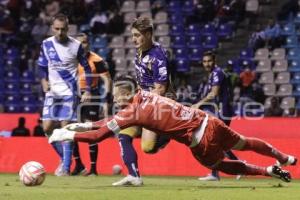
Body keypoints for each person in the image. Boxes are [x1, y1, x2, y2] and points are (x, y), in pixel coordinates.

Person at [50, 75, 297, 183]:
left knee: (219, 165)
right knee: (243, 142)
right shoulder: (145, 95)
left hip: (200, 141)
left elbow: (101, 135)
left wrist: (67, 134)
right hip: (209, 120)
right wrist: (83, 124)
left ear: (127, 94)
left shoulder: (132, 112)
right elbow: (105, 123)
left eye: (117, 97)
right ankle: (283, 157)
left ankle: (267, 171)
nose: (114, 101)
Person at [107, 16, 175, 186]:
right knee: (123, 134)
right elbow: (141, 79)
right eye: (133, 35)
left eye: (137, 35)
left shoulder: (158, 56)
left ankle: (167, 133)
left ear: (149, 34)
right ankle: (134, 176)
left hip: (158, 104)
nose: (133, 39)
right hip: (142, 101)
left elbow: (160, 89)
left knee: (148, 148)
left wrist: (141, 101)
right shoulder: (140, 52)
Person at [38, 13, 92, 176]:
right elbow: (41, 66)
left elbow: (87, 68)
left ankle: (66, 169)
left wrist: (87, 89)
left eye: (63, 29)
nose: (60, 32)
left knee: (65, 129)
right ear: (52, 28)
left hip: (70, 92)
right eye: (57, 29)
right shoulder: (46, 44)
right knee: (47, 128)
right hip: (52, 93)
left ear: (68, 28)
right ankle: (65, 159)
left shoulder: (76, 46)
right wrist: (43, 81)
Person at [192, 51, 240, 181]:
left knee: (216, 142)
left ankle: (236, 167)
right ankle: (220, 171)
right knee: (218, 143)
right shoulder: (213, 74)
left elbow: (214, 93)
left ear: (215, 61)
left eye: (209, 61)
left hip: (224, 111)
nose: (207, 64)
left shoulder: (217, 73)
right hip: (221, 110)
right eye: (205, 61)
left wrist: (198, 104)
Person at [71, 33, 112, 176]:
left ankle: (93, 168)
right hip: (75, 95)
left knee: (90, 130)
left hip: (92, 95)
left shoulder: (97, 59)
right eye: (81, 43)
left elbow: (107, 80)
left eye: (86, 42)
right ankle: (78, 165)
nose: (84, 45)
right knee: (72, 129)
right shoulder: (71, 59)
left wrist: (107, 99)